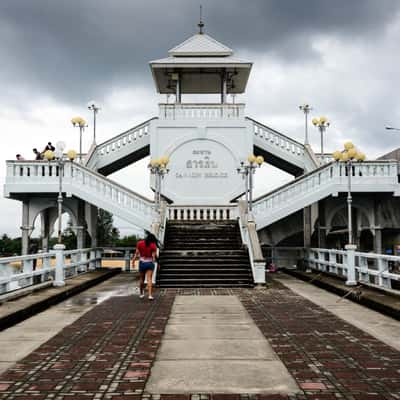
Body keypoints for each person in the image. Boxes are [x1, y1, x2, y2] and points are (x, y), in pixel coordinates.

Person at [132, 233, 158, 300]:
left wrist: (133, 261)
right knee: (149, 279)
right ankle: (150, 295)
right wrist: (155, 262)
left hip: (142, 263)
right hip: (149, 263)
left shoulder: (139, 243)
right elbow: (153, 257)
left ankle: (141, 294)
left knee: (141, 279)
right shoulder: (153, 245)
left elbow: (137, 253)